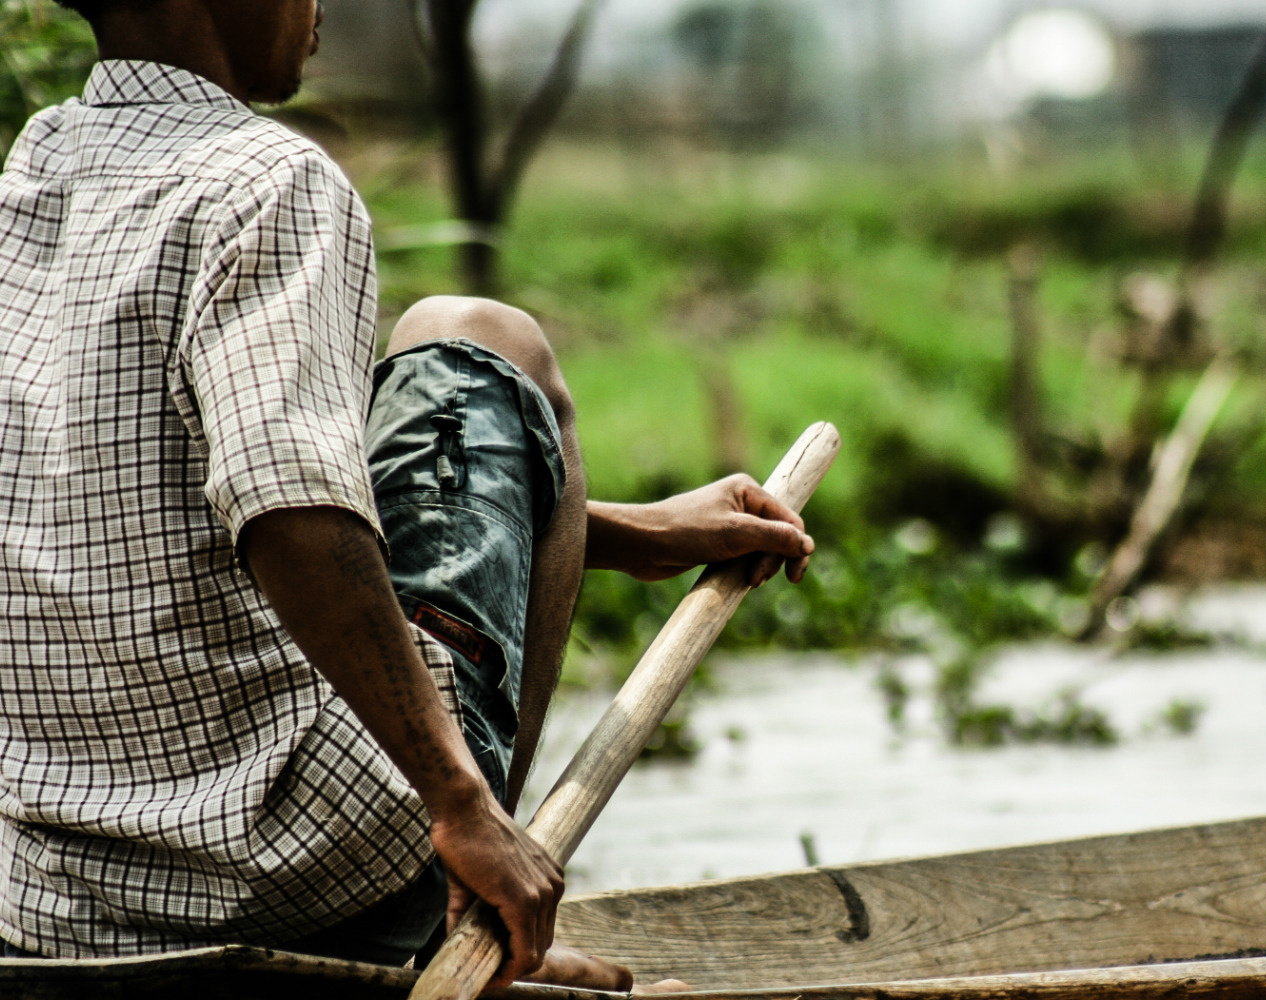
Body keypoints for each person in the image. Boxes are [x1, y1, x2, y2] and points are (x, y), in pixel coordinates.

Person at [0, 0, 813, 990]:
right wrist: (456, 803)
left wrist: (620, 533)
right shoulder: (268, 179)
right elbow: (293, 515)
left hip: (58, 890)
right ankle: (465, 889)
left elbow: (150, 494)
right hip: (304, 853)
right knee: (481, 336)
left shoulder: (31, 179)